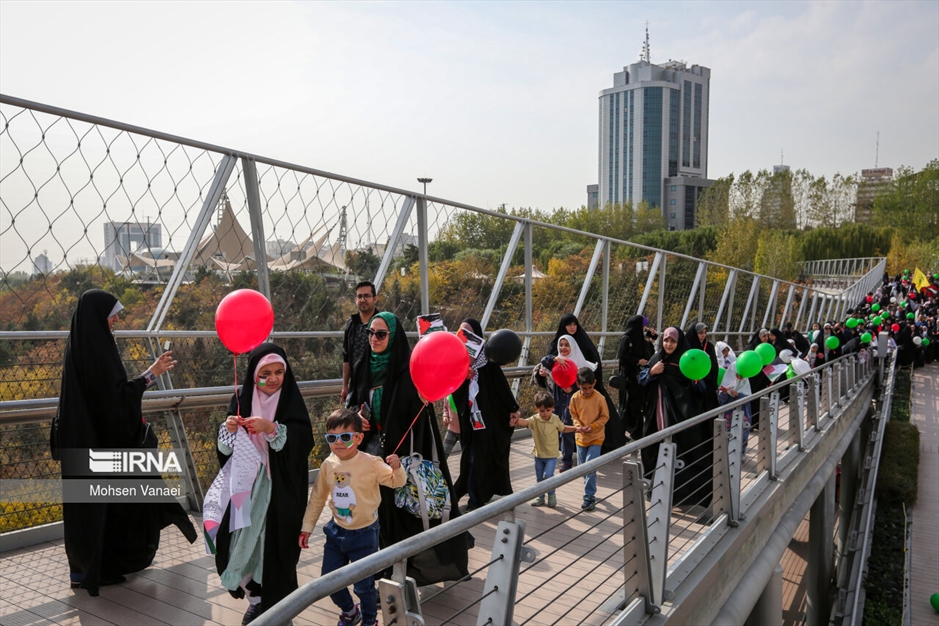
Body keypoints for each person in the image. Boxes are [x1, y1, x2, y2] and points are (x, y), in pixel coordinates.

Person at [54, 289, 196, 596]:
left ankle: (82, 570)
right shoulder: (98, 352)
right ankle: (99, 568)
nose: (117, 319)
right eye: (112, 315)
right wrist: (151, 374)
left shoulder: (78, 347)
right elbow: (115, 401)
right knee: (110, 507)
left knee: (85, 510)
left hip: (81, 445)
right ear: (99, 318)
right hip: (102, 449)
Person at [348, 312, 471, 586]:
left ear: (393, 336)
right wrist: (358, 416)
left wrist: (422, 399)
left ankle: (413, 571)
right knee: (377, 516)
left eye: (381, 334)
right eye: (370, 333)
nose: (374, 339)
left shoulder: (407, 370)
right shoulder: (363, 366)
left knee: (411, 513)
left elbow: (417, 412)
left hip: (403, 457)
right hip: (370, 454)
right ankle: (383, 573)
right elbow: (352, 400)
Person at [205, 344, 314, 624]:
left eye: (279, 372)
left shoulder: (290, 401)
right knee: (237, 543)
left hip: (279, 492)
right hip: (245, 487)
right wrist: (227, 430)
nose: (274, 379)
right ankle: (255, 597)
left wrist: (272, 428)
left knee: (276, 548)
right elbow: (226, 453)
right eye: (265, 373)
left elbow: (303, 442)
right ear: (253, 375)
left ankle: (275, 605)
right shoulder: (242, 399)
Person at [299, 409, 406, 626]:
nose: (338, 443)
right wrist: (307, 526)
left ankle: (369, 621)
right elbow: (318, 499)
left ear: (358, 438)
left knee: (364, 586)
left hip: (365, 534)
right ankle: (349, 611)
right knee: (329, 582)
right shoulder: (328, 465)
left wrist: (398, 467)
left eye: (345, 437)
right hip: (336, 532)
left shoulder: (372, 462)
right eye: (332, 437)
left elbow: (396, 482)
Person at [639, 327, 713, 510]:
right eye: (665, 340)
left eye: (672, 341)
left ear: (679, 342)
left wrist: (696, 380)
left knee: (681, 452)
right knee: (658, 450)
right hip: (658, 416)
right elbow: (641, 380)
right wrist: (651, 372)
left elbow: (700, 390)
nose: (668, 344)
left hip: (682, 417)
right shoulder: (657, 360)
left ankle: (681, 494)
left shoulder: (686, 361)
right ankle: (659, 491)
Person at [452, 318, 521, 511]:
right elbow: (454, 393)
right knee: (470, 457)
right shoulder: (459, 362)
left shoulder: (488, 363)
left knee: (477, 458)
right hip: (470, 423)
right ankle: (467, 493)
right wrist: (464, 379)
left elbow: (502, 390)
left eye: (468, 333)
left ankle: (475, 497)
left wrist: (514, 409)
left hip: (488, 423)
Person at [548, 314, 626, 452]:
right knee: (567, 419)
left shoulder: (584, 341)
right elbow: (548, 363)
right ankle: (568, 451)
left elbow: (594, 360)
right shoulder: (557, 344)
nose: (572, 327)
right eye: (569, 324)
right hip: (563, 390)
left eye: (574, 324)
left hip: (584, 387)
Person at [511, 391, 578, 508]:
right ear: (537, 409)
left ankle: (551, 495)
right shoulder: (535, 419)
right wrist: (516, 420)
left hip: (551, 456)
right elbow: (525, 422)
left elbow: (563, 428)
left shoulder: (555, 419)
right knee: (540, 478)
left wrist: (576, 429)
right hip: (539, 455)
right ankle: (540, 496)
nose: (545, 413)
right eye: (542, 411)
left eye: (548, 410)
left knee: (548, 475)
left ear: (552, 408)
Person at [536, 334, 592, 471]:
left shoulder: (578, 362)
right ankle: (556, 457)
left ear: (572, 346)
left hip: (572, 399)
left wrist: (572, 388)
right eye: (561, 345)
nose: (563, 348)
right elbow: (544, 361)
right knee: (556, 427)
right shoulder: (556, 361)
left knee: (567, 429)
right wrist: (555, 358)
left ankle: (568, 461)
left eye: (567, 345)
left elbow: (585, 381)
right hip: (557, 399)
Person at [569, 368, 609, 512]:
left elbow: (605, 417)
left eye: (590, 388)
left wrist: (593, 426)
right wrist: (578, 425)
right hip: (581, 437)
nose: (587, 391)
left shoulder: (599, 398)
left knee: (590, 467)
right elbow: (573, 415)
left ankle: (589, 496)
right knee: (582, 468)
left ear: (595, 383)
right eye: (584, 388)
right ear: (578, 384)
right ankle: (590, 488)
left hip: (596, 437)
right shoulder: (574, 398)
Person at [616, 315, 654, 440]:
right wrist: (637, 361)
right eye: (644, 325)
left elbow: (649, 355)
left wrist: (651, 340)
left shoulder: (640, 340)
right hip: (629, 378)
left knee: (638, 406)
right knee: (627, 405)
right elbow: (622, 357)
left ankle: (637, 431)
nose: (645, 328)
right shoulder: (627, 339)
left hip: (640, 378)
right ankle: (621, 432)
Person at [342, 281, 379, 406]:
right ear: (355, 299)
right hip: (355, 386)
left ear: (375, 299)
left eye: (367, 296)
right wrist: (344, 386)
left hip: (376, 385)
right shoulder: (351, 324)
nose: (363, 300)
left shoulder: (382, 322)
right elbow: (346, 357)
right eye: (359, 296)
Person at [684, 322, 720, 413]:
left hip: (708, 386)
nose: (703, 335)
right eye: (700, 333)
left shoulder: (708, 346)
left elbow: (714, 366)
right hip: (691, 388)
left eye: (705, 333)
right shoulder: (687, 347)